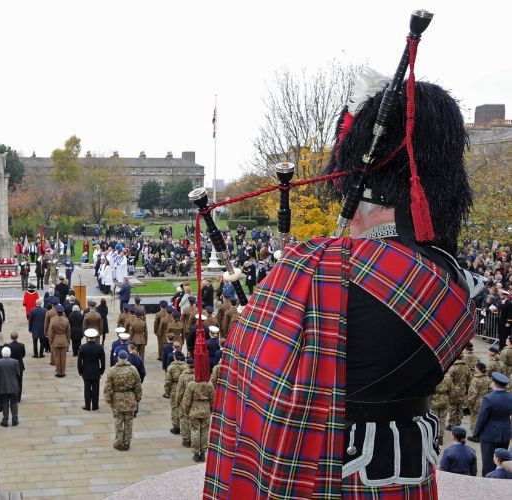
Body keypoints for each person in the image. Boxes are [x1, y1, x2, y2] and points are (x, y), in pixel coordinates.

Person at [206, 76, 481, 497]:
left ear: (357, 193)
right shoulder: (456, 279)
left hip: (327, 471)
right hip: (411, 474)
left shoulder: (316, 266)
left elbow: (251, 381)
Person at [471, 372, 512, 476]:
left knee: (488, 463)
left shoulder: (489, 398)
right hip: (505, 433)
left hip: (490, 434)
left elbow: (481, 419)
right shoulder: (510, 397)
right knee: (502, 462)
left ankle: (488, 484)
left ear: (494, 383)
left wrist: (476, 433)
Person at [104, 350, 142, 451]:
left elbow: (108, 387)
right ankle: (127, 442)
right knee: (129, 422)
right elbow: (138, 386)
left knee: (118, 422)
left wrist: (108, 401)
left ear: (118, 359)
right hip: (130, 398)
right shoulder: (133, 369)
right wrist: (137, 399)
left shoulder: (113, 370)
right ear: (127, 358)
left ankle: (118, 442)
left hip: (117, 398)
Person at [181, 367, 214, 463]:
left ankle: (196, 453)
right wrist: (211, 410)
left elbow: (187, 399)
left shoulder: (192, 384)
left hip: (194, 410)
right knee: (204, 432)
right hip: (205, 410)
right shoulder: (209, 384)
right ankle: (203, 453)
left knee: (195, 431)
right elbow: (213, 399)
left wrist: (186, 410)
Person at [77, 328, 104, 411]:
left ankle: (87, 405)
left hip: (86, 371)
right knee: (96, 389)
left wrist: (80, 371)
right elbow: (102, 361)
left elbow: (79, 362)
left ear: (86, 337)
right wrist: (101, 371)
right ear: (95, 337)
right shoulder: (99, 347)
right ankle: (95, 406)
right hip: (96, 371)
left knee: (87, 389)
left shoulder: (82, 347)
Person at [0, 346, 20, 427]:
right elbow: (18, 373)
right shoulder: (15, 362)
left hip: (3, 386)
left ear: (2, 353)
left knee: (5, 403)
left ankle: (5, 420)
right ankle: (15, 419)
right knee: (14, 403)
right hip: (13, 386)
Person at [165, 351, 188, 435]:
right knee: (184, 407)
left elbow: (167, 381)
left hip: (174, 388)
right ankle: (184, 426)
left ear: (174, 357)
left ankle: (176, 426)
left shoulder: (171, 367)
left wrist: (167, 392)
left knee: (175, 408)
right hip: (185, 389)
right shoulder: (186, 366)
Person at [47, 305, 71, 377]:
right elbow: (68, 333)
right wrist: (68, 341)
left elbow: (50, 332)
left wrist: (50, 341)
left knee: (57, 357)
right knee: (63, 358)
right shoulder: (66, 320)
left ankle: (58, 372)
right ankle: (62, 372)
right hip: (64, 340)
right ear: (62, 312)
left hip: (56, 340)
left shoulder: (53, 320)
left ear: (57, 312)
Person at [467, 362, 491, 434]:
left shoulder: (475, 379)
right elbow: (490, 390)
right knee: (483, 417)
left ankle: (475, 434)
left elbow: (473, 393)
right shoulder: (487, 378)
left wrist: (469, 402)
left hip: (477, 402)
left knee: (474, 418)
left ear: (478, 369)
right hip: (485, 400)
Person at [7, 332, 26, 402]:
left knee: (11, 381)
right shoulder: (21, 345)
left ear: (11, 337)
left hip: (11, 365)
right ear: (17, 337)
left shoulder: (8, 346)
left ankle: (13, 396)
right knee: (19, 381)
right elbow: (23, 355)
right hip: (19, 365)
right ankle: (18, 397)